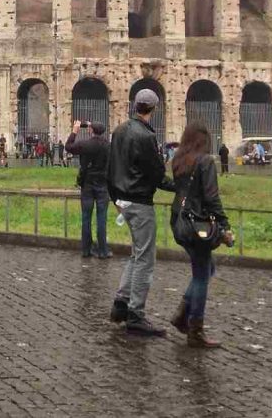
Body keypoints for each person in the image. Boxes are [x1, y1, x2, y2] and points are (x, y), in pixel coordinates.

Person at [107, 88, 175, 336]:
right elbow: (156, 175)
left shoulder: (119, 130)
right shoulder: (146, 137)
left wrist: (114, 198)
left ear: (135, 106)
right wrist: (181, 187)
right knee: (146, 258)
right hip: (139, 201)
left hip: (122, 199)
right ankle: (136, 314)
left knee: (137, 254)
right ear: (154, 109)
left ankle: (120, 304)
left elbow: (110, 167)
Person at [168, 121, 233, 349]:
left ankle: (182, 314)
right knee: (202, 276)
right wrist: (224, 226)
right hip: (198, 226)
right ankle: (194, 329)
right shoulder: (205, 161)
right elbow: (211, 197)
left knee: (206, 269)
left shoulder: (178, 160)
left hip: (179, 222)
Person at [67, 120, 111, 259]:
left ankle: (86, 250)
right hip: (103, 184)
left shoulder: (85, 144)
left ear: (91, 130)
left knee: (86, 217)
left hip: (87, 183)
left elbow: (68, 147)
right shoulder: (108, 146)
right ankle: (103, 251)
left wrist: (75, 131)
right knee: (101, 218)